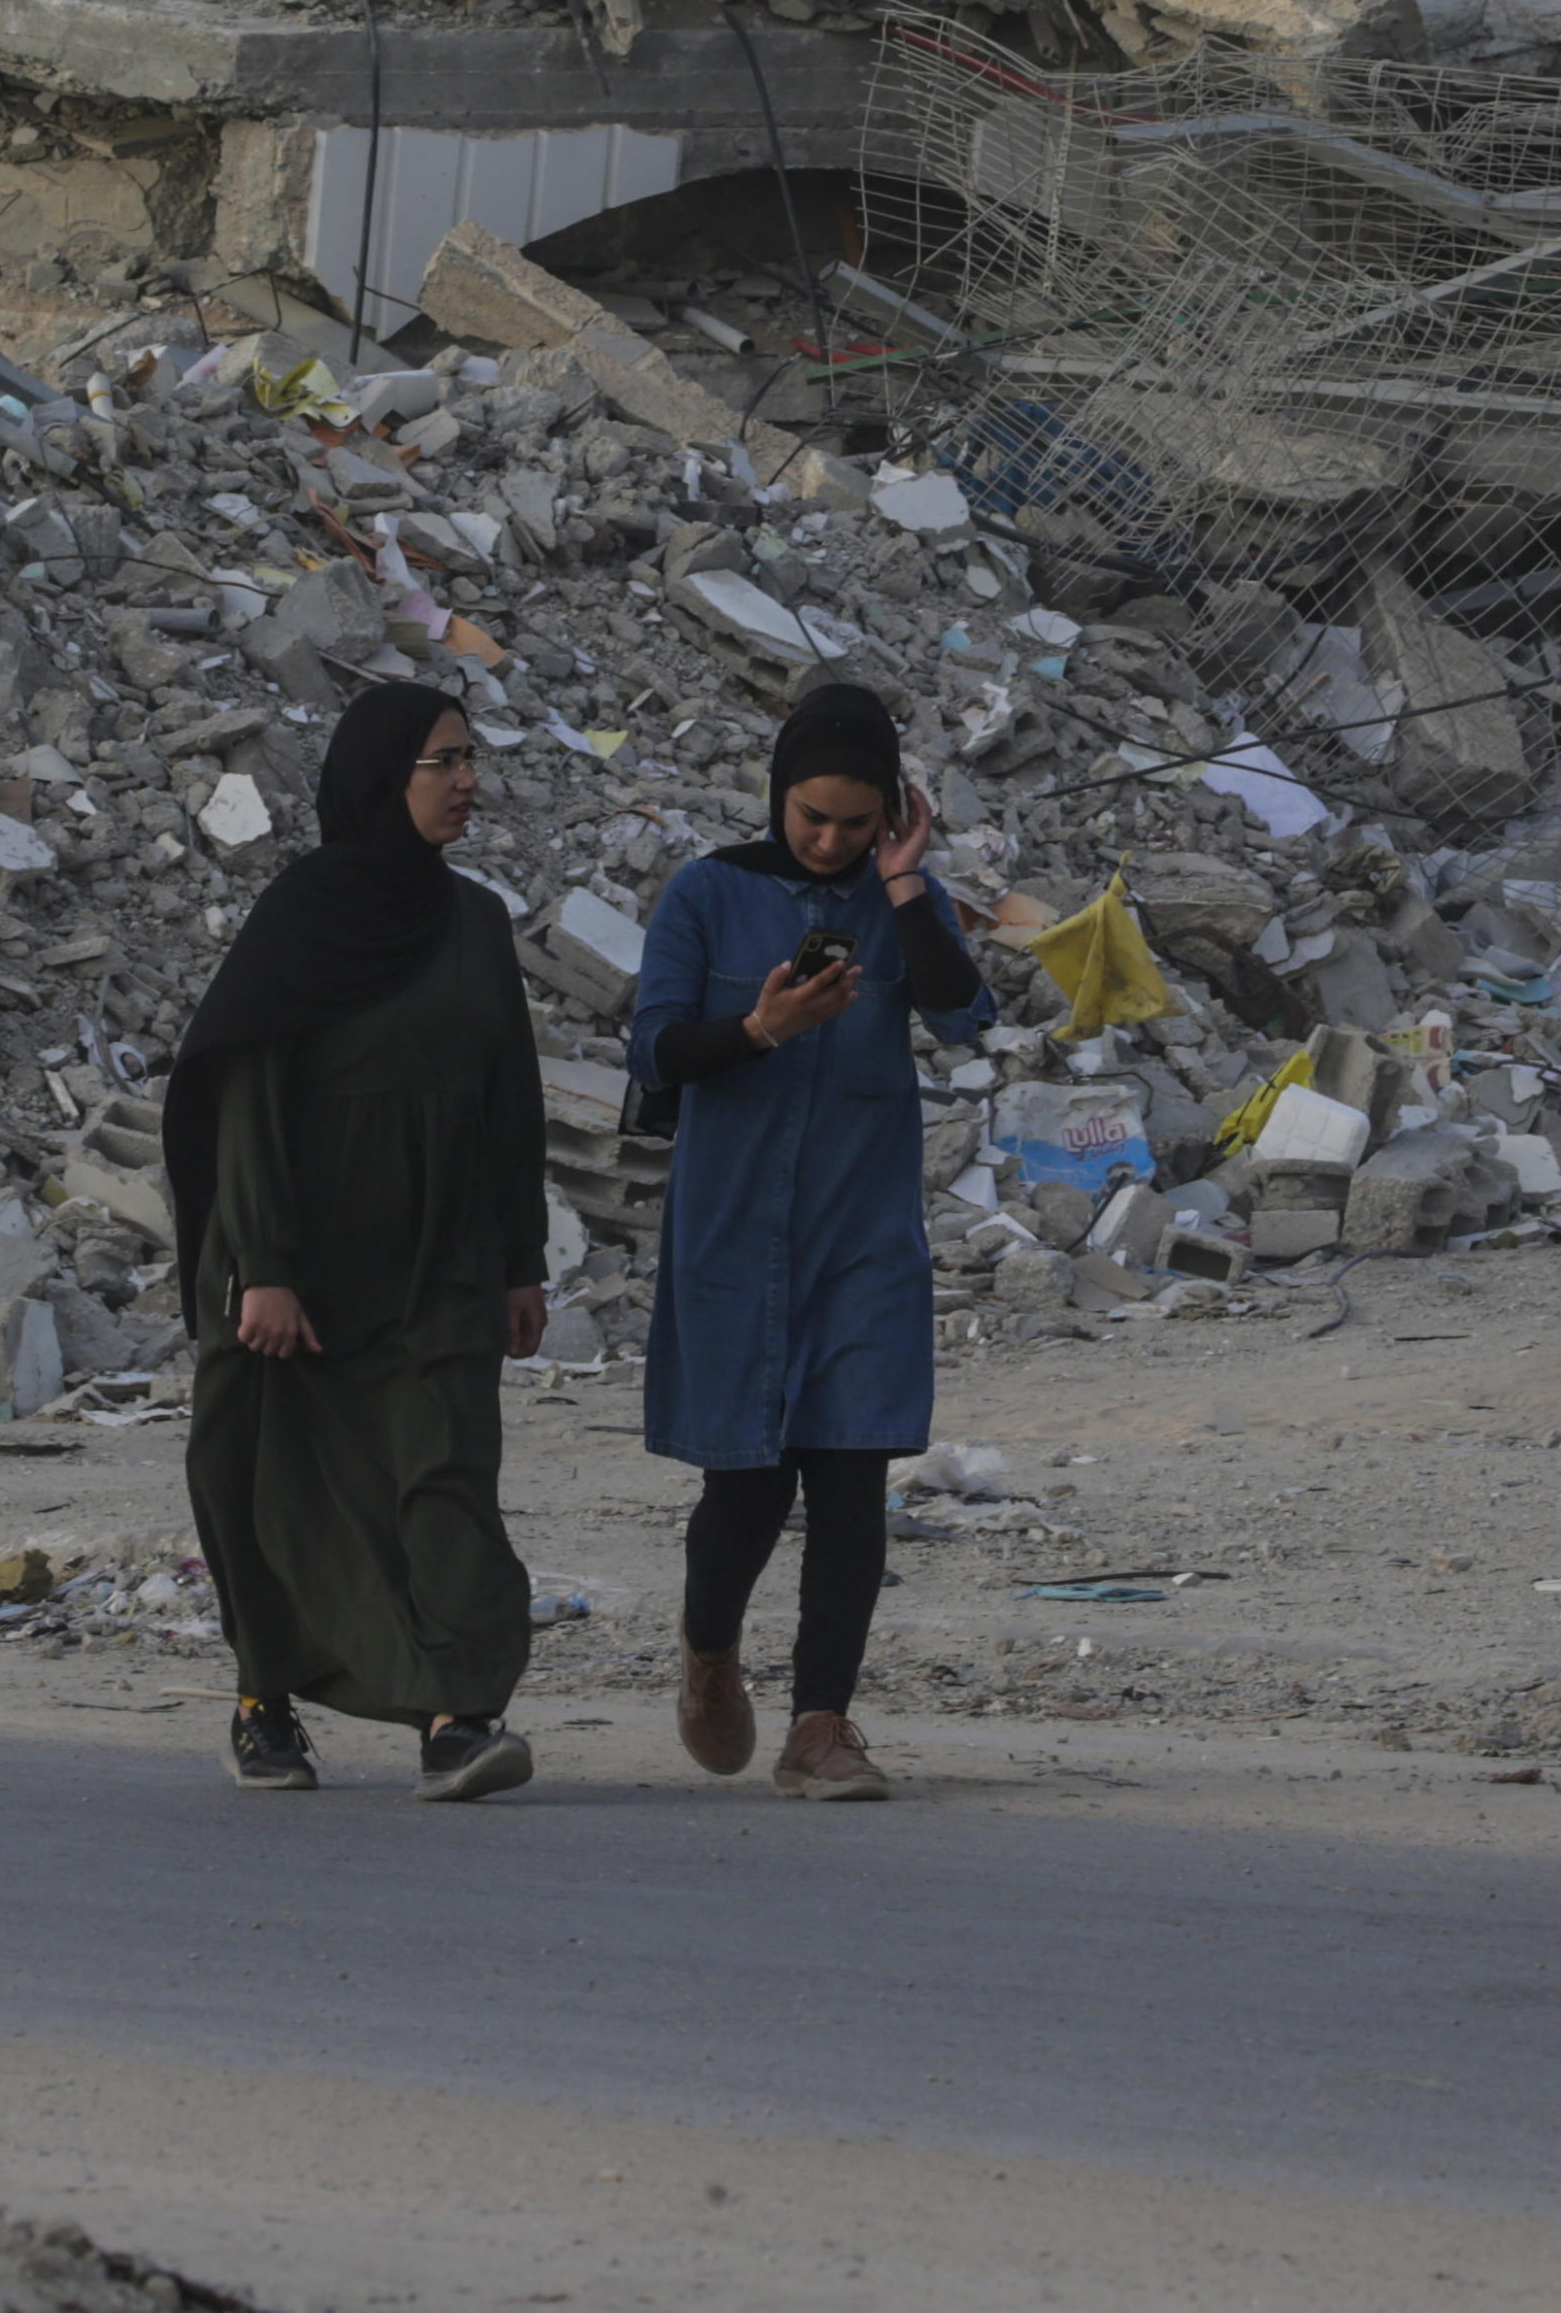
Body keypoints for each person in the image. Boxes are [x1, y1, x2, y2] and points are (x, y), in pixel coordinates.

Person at [165, 682, 554, 1803]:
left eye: (470, 757)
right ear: (382, 776)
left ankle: (455, 1717)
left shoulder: (472, 922)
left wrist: (520, 1261)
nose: (467, 781)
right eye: (443, 761)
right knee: (266, 1480)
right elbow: (247, 1099)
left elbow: (508, 1100)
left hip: (438, 1256)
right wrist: (265, 1268)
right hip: (295, 1256)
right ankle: (262, 1697)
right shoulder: (306, 915)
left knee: (446, 1476)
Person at [631, 681, 993, 1801]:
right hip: (733, 1237)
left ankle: (822, 1726)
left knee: (848, 1478)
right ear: (776, 796)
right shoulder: (705, 894)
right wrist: (757, 1029)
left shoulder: (902, 899)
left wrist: (902, 886)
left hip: (859, 1240)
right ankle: (707, 1654)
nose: (829, 839)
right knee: (743, 1490)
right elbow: (654, 1055)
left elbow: (963, 1013)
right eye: (811, 818)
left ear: (890, 812)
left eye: (854, 820)